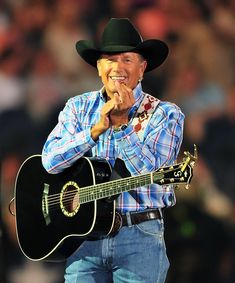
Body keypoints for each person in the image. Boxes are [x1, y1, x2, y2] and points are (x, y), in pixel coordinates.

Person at [41, 18, 184, 283]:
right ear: (98, 67)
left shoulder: (165, 114)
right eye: (110, 59)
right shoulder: (78, 107)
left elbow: (149, 175)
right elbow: (50, 161)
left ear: (142, 69)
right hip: (84, 240)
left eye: (127, 59)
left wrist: (121, 126)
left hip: (140, 237)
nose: (118, 67)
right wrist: (94, 132)